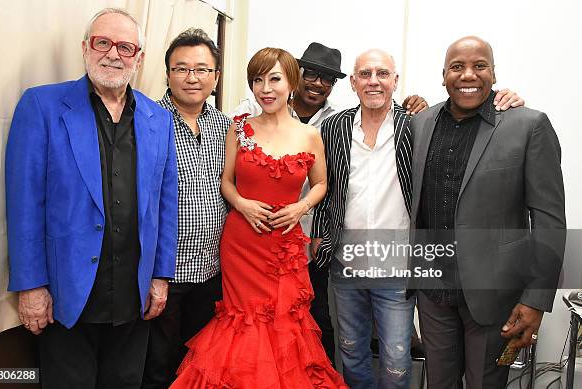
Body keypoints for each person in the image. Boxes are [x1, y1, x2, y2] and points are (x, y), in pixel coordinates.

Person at [311, 47, 526, 389]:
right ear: (352, 82)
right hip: (346, 262)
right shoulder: (334, 126)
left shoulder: (416, 125)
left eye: (382, 74)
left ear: (395, 81)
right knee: (351, 350)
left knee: (397, 358)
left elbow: (465, 110)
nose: (374, 81)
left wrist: (503, 97)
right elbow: (325, 184)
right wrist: (321, 232)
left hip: (398, 266)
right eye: (365, 74)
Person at [5, 8, 178, 389]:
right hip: (68, 297)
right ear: (85, 47)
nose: (113, 54)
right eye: (103, 42)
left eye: (125, 46)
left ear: (139, 58)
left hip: (134, 299)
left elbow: (165, 205)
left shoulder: (158, 119)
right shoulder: (42, 107)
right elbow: (23, 206)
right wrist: (31, 286)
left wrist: (161, 277)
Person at [232, 41, 428, 364]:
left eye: (327, 79)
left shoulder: (334, 122)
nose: (318, 83)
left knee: (315, 322)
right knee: (260, 323)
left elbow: (325, 183)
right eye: (312, 74)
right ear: (297, 76)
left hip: (310, 244)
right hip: (259, 241)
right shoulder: (252, 113)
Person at [171, 47, 346, 388]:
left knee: (284, 324)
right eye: (257, 80)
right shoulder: (239, 128)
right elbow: (226, 181)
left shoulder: (310, 135)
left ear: (291, 82)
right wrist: (242, 204)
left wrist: (300, 207)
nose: (265, 88)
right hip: (242, 242)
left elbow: (322, 183)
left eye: (274, 79)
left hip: (286, 245)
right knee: (243, 322)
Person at [408, 36, 566, 388]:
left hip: (495, 296)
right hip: (433, 294)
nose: (468, 75)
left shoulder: (528, 125)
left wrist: (536, 300)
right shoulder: (419, 125)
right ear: (443, 75)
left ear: (493, 74)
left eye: (479, 66)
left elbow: (550, 221)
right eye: (457, 67)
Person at [142, 28, 231, 389]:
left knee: (199, 366)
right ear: (167, 74)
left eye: (201, 69)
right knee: (157, 365)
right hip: (163, 272)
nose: (191, 78)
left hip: (212, 271)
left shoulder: (227, 128)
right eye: (181, 68)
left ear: (216, 76)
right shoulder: (146, 121)